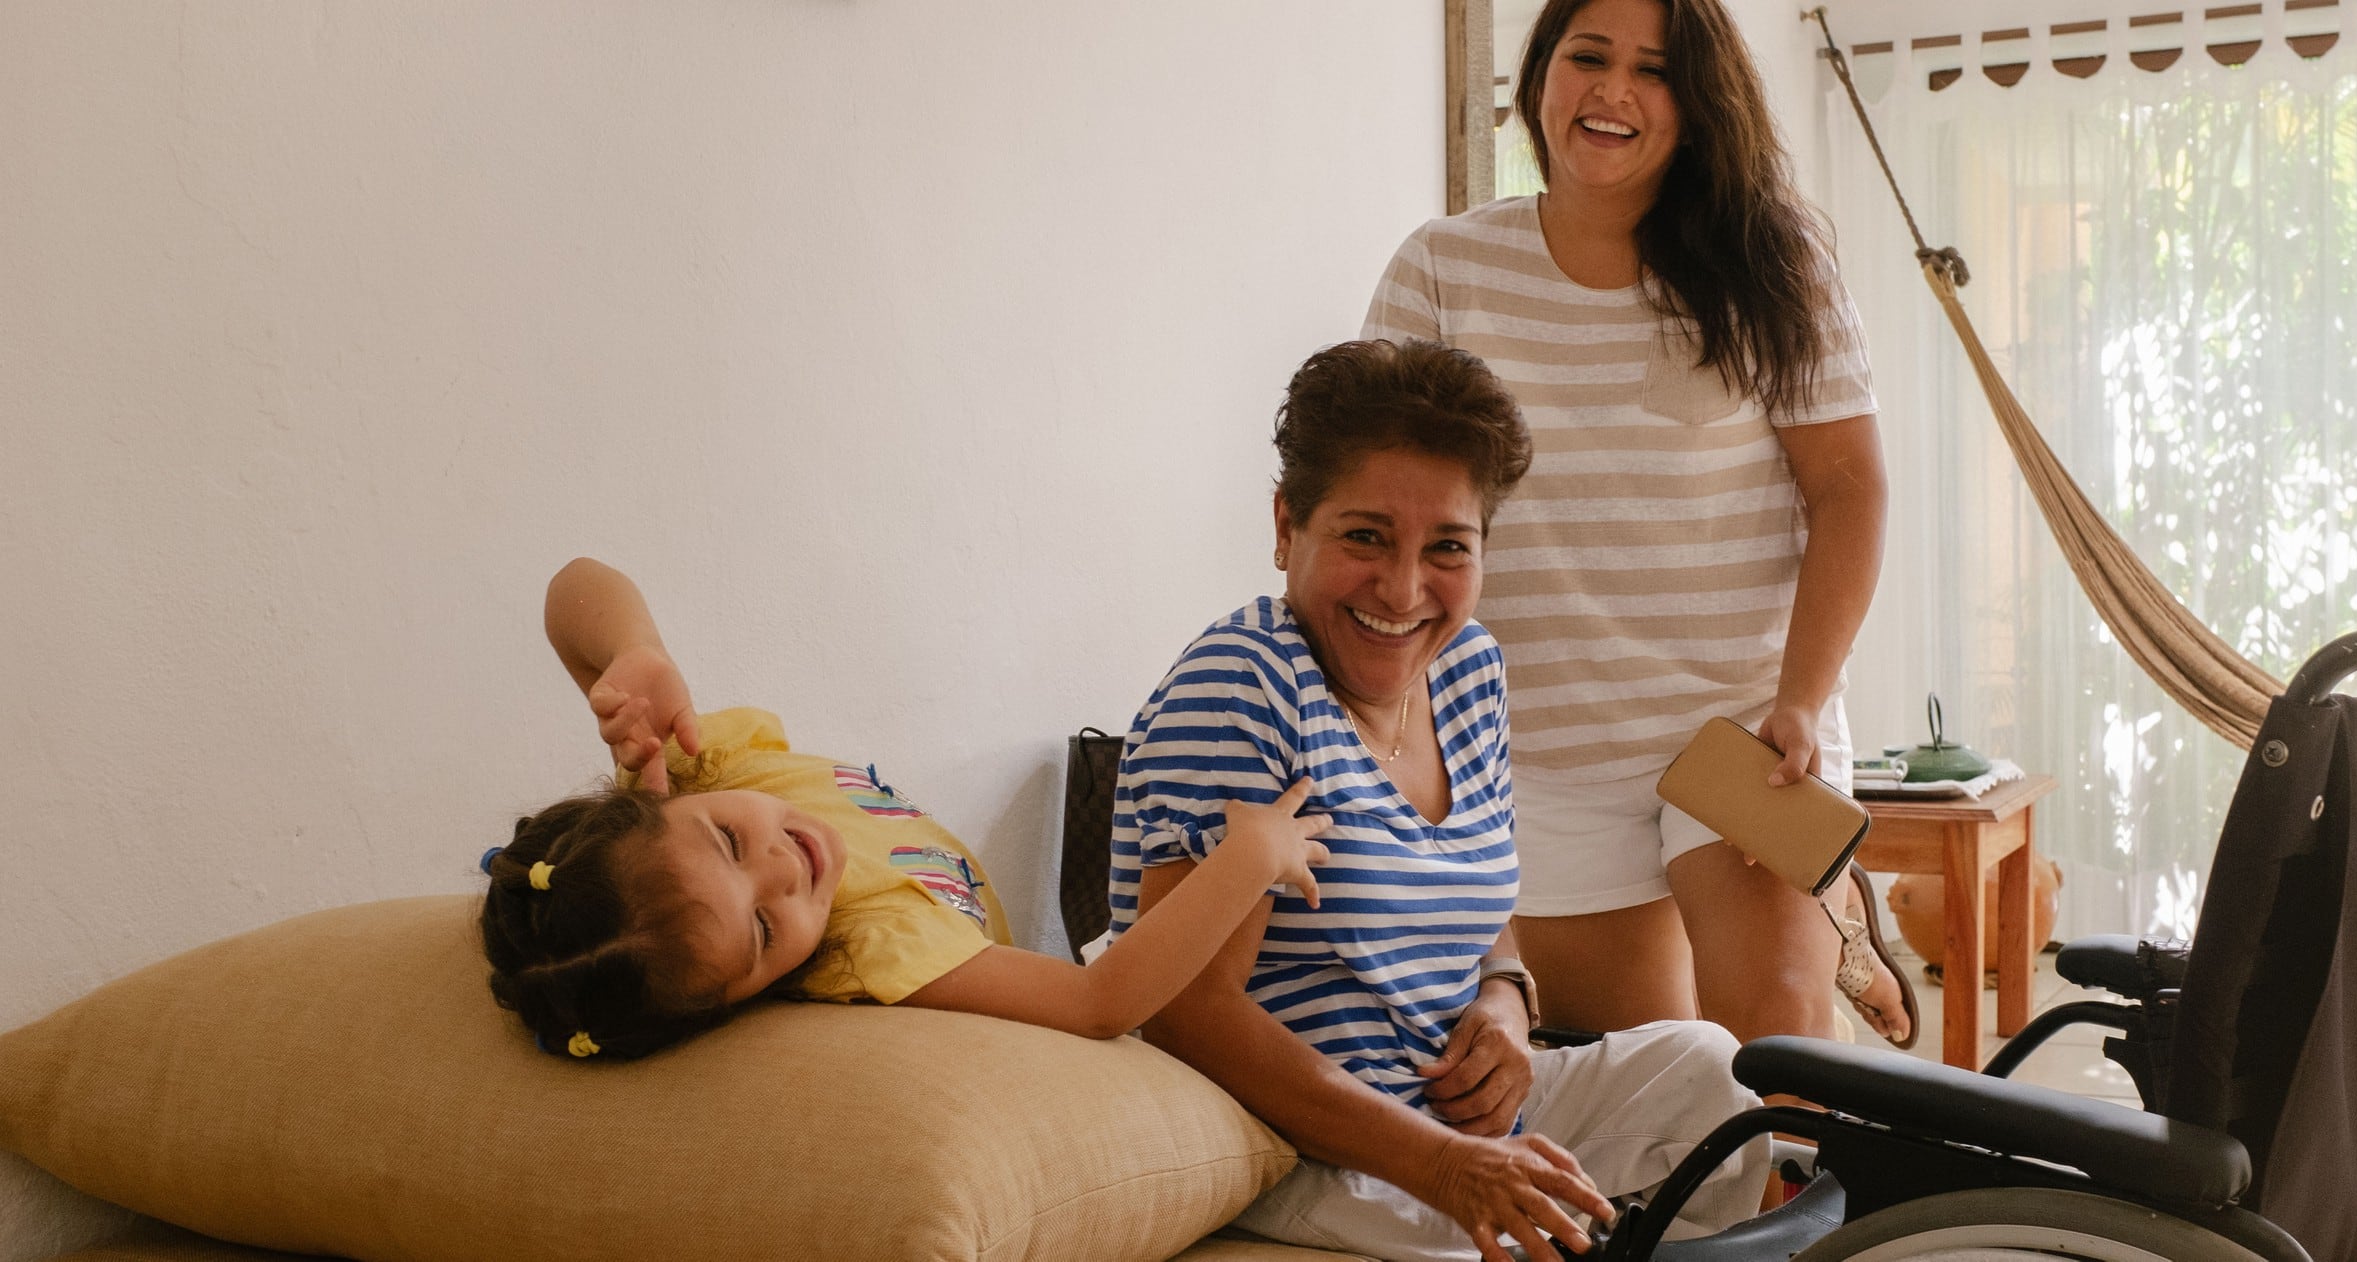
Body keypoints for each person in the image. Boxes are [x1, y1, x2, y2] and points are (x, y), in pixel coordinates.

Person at [1109, 339, 1768, 1262]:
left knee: (1713, 1073)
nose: (1404, 588)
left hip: (1451, 1116)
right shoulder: (1242, 686)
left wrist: (1504, 1001)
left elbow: (1475, 901)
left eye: (1448, 547)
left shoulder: (1468, 671)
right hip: (1307, 1141)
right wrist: (1446, 1167)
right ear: (1286, 524)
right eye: (1365, 536)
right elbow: (1186, 1009)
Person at [1361, 0, 1910, 1051]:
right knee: (1670, 1082)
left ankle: (1830, 918)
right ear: (1538, 80)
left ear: (1697, 106)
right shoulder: (1442, 268)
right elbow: (1386, 496)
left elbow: (1848, 487)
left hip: (1737, 724)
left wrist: (1799, 700)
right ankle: (1839, 909)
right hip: (1540, 745)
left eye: (1653, 71)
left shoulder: (1773, 266)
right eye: (1588, 57)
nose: (1613, 91)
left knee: (1778, 1055)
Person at [477, 557, 1331, 1060]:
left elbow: (573, 591)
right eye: (765, 932)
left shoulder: (697, 771)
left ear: (657, 802)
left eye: (732, 845)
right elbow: (1102, 1003)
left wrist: (636, 651)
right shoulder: (873, 950)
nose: (782, 872)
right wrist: (1246, 861)